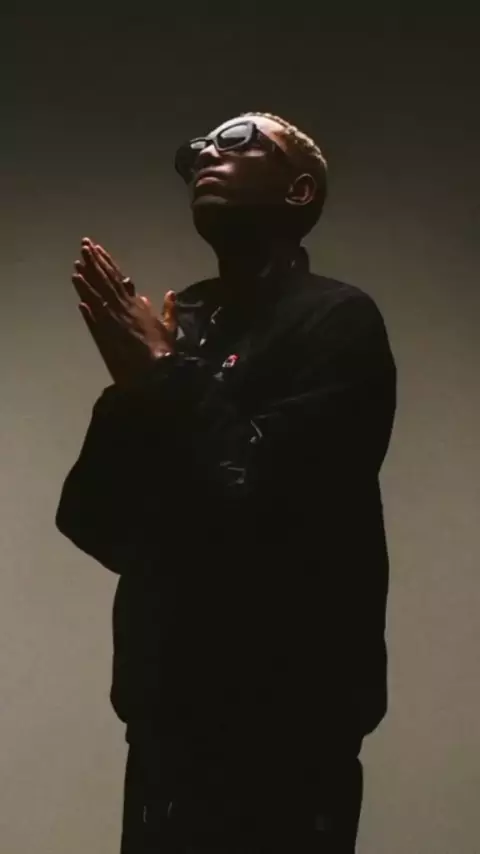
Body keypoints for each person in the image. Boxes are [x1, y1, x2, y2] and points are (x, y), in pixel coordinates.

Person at [56, 112, 397, 853]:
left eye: (238, 140)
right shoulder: (185, 320)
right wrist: (132, 392)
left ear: (299, 190)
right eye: (198, 150)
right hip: (165, 726)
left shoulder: (339, 320)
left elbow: (259, 491)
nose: (206, 152)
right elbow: (94, 522)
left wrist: (164, 375)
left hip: (289, 730)